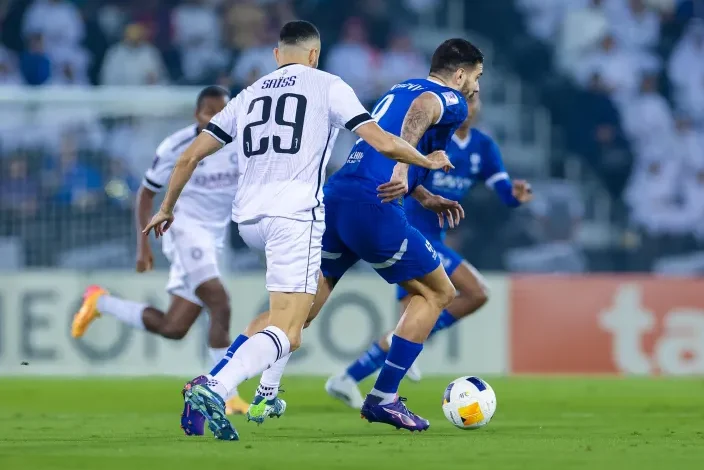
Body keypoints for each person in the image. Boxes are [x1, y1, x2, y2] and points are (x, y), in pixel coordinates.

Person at [142, 21, 453, 441]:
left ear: (276, 55)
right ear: (314, 55)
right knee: (288, 332)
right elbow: (381, 141)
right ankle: (213, 387)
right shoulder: (327, 85)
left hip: (249, 220)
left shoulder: (248, 94)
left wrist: (165, 208)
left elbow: (189, 157)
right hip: (294, 216)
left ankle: (262, 391)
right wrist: (425, 161)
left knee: (289, 317)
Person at [240, 37, 485, 432]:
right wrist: (403, 172)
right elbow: (420, 118)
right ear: (459, 73)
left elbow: (382, 142)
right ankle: (383, 397)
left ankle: (219, 378)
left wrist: (421, 192)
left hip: (338, 196)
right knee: (440, 292)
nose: (476, 87)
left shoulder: (400, 89)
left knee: (298, 311)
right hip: (373, 207)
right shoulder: (449, 98)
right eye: (476, 76)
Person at [326, 95, 531, 406]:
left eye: (475, 101)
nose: (469, 107)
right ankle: (374, 382)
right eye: (465, 99)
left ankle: (347, 379)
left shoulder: (483, 147)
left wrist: (516, 196)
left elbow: (504, 191)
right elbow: (402, 171)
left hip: (432, 237)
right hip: (406, 229)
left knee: (408, 325)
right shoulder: (432, 137)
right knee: (475, 292)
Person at [70, 86, 252, 417]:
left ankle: (101, 301)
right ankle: (226, 394)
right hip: (182, 231)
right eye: (211, 112)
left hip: (214, 239)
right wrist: (143, 247)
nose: (218, 118)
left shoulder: (239, 143)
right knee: (220, 303)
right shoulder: (176, 146)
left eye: (223, 112)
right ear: (197, 115)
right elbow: (145, 194)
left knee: (174, 327)